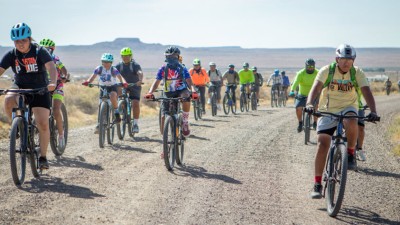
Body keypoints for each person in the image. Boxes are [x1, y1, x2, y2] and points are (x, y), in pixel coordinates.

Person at [306, 44, 379, 199]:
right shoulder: (327, 70)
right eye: (343, 59)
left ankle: (351, 153)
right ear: (337, 59)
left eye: (350, 59)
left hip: (348, 106)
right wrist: (310, 103)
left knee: (352, 120)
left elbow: (366, 91)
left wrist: (373, 111)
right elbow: (316, 87)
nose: (346, 62)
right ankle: (317, 184)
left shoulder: (357, 72)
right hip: (328, 108)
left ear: (353, 60)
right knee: (322, 143)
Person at [0, 22, 58, 169]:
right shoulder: (12, 54)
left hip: (40, 88)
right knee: (8, 99)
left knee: (42, 123)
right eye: (17, 41)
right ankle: (18, 127)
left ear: (29, 39)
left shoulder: (39, 51)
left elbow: (51, 67)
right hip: (20, 86)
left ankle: (43, 157)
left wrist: (53, 82)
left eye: (24, 40)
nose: (20, 44)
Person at [145, 46, 197, 138]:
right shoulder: (163, 69)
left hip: (181, 90)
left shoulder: (182, 68)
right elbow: (156, 82)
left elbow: (189, 81)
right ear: (166, 57)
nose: (171, 59)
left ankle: (185, 122)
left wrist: (193, 91)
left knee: (186, 96)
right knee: (163, 117)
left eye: (173, 57)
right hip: (168, 92)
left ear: (178, 57)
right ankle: (164, 143)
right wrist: (150, 92)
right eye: (169, 57)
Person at [82, 53, 128, 133]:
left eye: (108, 62)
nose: (106, 63)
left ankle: (116, 113)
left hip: (112, 87)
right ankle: (99, 124)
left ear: (111, 62)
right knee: (100, 105)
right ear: (102, 62)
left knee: (113, 96)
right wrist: (88, 82)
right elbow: (92, 77)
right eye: (104, 62)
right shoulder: (99, 68)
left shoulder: (113, 69)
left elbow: (120, 77)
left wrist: (124, 83)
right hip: (103, 88)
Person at [39, 38, 69, 150]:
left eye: (48, 49)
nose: (46, 51)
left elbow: (64, 70)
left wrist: (65, 76)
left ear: (52, 50)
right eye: (44, 49)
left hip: (57, 86)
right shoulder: (38, 59)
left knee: (56, 110)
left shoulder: (55, 59)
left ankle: (61, 136)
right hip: (43, 87)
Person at [114, 47, 143, 134]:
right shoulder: (119, 65)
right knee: (118, 92)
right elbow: (112, 73)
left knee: (135, 103)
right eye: (123, 56)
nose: (125, 58)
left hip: (134, 85)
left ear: (130, 56)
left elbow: (140, 73)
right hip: (123, 85)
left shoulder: (135, 65)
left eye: (127, 56)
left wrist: (140, 80)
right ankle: (121, 106)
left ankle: (135, 124)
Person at [289, 59, 319, 132]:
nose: (310, 68)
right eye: (308, 66)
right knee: (298, 108)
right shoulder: (301, 73)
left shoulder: (318, 73)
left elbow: (322, 82)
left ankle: (315, 122)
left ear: (314, 66)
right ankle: (300, 122)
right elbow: (295, 82)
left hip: (314, 94)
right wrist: (292, 91)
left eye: (312, 66)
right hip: (302, 94)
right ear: (306, 66)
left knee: (316, 107)